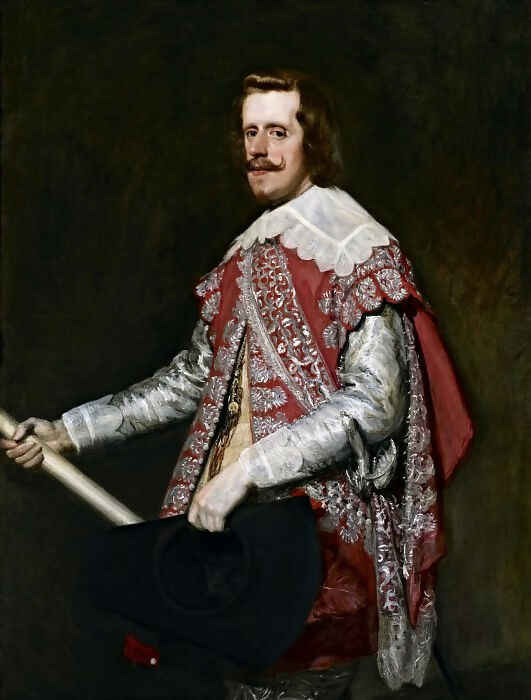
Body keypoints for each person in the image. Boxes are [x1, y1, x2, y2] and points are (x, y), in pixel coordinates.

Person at [1, 70, 473, 699]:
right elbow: (190, 380)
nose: (259, 149)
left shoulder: (357, 247)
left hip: (310, 540)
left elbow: (374, 403)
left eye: (278, 132)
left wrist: (248, 470)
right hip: (224, 536)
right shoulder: (246, 252)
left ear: (314, 141)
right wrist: (70, 432)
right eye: (251, 133)